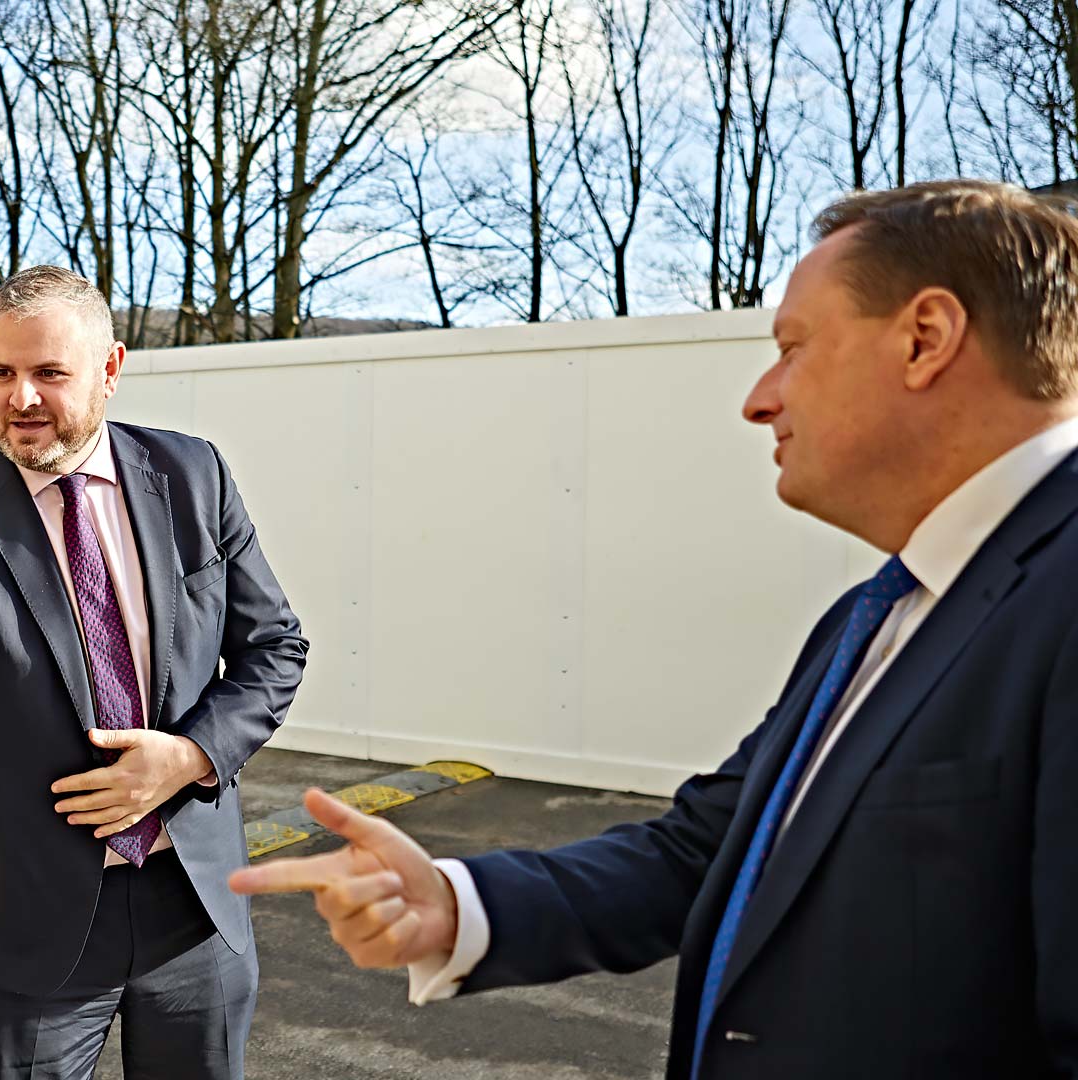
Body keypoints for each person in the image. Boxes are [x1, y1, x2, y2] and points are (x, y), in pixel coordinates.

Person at [230, 179, 1078, 1079]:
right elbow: (707, 850)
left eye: (793, 348)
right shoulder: (881, 610)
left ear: (925, 338)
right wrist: (454, 905)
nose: (760, 398)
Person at [0, 265, 308, 1079]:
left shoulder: (194, 477)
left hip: (193, 906)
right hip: (22, 916)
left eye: (49, 373)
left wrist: (191, 756)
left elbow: (274, 649)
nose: (20, 399)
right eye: (0, 372)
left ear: (111, 369)